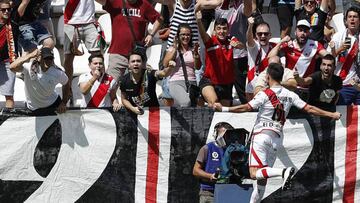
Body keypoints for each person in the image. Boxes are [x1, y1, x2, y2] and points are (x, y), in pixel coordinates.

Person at [214, 63, 341, 203]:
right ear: (281, 77)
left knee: (254, 173)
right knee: (262, 183)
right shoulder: (290, 95)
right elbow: (310, 108)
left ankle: (283, 172)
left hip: (261, 135)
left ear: (268, 76)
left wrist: (224, 109)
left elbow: (246, 107)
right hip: (276, 139)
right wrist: (331, 114)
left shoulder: (265, 93)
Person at [96, 0, 163, 82]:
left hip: (137, 54)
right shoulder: (116, 2)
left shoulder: (144, 4)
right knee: (111, 85)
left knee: (141, 86)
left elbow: (159, 19)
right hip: (118, 53)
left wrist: (151, 34)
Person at [268, 20, 328, 100]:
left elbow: (328, 57)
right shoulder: (289, 45)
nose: (303, 33)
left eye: (305, 31)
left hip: (307, 89)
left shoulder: (314, 45)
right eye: (300, 30)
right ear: (295, 32)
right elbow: (270, 57)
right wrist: (281, 42)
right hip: (291, 88)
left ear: (309, 33)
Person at [196, 11, 243, 107]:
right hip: (209, 81)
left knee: (223, 111)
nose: (222, 31)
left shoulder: (231, 39)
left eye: (224, 28)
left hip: (226, 84)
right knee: (214, 103)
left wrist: (237, 45)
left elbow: (241, 46)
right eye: (219, 29)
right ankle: (201, 96)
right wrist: (199, 21)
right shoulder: (210, 41)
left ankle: (202, 99)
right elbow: (202, 33)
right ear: (214, 31)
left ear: (228, 30)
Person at [62, 0, 102, 112]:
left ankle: (102, 89)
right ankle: (67, 92)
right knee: (68, 59)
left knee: (98, 56)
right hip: (70, 22)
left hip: (90, 22)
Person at [214, 0, 252, 104]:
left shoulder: (241, 8)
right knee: (224, 97)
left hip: (239, 57)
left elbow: (249, 8)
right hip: (224, 57)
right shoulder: (219, 9)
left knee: (243, 94)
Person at [10, 47, 68, 114]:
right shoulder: (29, 67)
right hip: (33, 108)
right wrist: (30, 55)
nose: (48, 61)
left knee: (56, 124)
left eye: (50, 58)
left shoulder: (58, 72)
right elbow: (12, 67)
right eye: (45, 58)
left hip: (53, 105)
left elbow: (66, 83)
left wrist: (63, 102)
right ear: (39, 58)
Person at [120, 49, 173, 115]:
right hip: (135, 114)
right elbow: (124, 99)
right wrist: (132, 108)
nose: (136, 63)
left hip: (153, 114)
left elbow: (164, 73)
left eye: (138, 61)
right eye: (133, 61)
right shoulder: (124, 80)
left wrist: (170, 67)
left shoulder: (149, 74)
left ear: (142, 64)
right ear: (129, 65)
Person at [193, 122, 234, 203]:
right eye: (223, 136)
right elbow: (195, 171)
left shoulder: (235, 149)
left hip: (230, 190)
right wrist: (210, 176)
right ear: (216, 135)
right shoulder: (207, 148)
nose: (226, 139)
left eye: (228, 136)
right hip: (209, 192)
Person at [163, 23, 201, 107]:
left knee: (193, 107)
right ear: (178, 36)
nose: (186, 37)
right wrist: (175, 48)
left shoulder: (193, 49)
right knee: (185, 102)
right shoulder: (172, 49)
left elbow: (197, 67)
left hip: (192, 83)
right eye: (183, 34)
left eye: (188, 35)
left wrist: (196, 54)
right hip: (176, 81)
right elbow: (165, 64)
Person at [328, 6, 360, 105]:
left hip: (358, 85)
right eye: (350, 17)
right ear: (346, 21)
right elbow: (327, 60)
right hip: (343, 85)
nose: (352, 19)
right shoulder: (338, 36)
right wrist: (339, 49)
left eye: (355, 16)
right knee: (341, 116)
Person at [246, 17, 276, 100]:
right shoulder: (254, 45)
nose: (263, 36)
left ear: (270, 35)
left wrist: (282, 42)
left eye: (266, 34)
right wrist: (250, 26)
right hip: (252, 86)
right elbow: (249, 39)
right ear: (255, 35)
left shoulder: (274, 46)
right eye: (260, 34)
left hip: (268, 86)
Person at [0, 0, 16, 109]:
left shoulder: (14, 23)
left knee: (9, 96)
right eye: (3, 9)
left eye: (8, 9)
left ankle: (9, 119)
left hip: (7, 62)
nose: (6, 11)